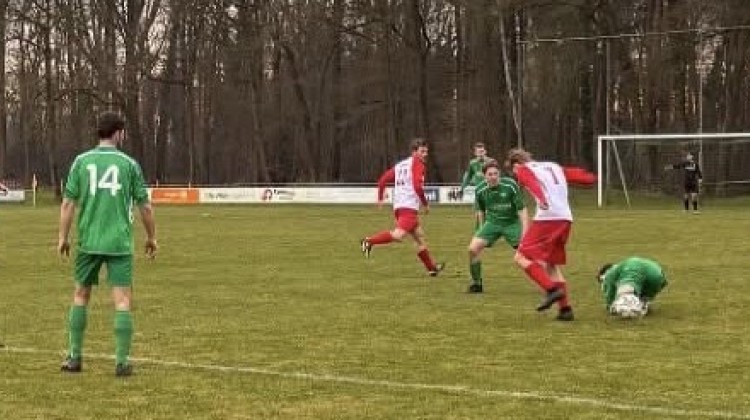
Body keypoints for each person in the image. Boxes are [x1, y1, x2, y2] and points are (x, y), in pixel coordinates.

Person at [58, 112, 157, 377]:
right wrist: (151, 237)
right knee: (122, 301)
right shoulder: (129, 164)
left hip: (88, 241)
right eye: (122, 132)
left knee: (80, 296)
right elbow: (145, 206)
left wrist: (63, 238)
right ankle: (122, 362)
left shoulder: (81, 161)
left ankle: (74, 358)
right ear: (117, 133)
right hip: (119, 243)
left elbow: (68, 203)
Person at [506, 148, 596, 321]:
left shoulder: (523, 169)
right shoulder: (553, 166)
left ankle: (551, 289)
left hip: (548, 218)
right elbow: (576, 175)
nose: (516, 177)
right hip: (565, 219)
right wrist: (592, 178)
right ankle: (565, 310)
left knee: (520, 257)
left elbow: (532, 183)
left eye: (513, 172)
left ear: (516, 165)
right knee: (551, 264)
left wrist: (542, 199)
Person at [360, 138, 444, 276]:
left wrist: (381, 198)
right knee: (398, 236)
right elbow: (417, 186)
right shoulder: (418, 164)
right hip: (409, 208)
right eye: (422, 151)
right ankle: (368, 242)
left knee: (420, 238)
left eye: (426, 152)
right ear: (414, 152)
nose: (425, 154)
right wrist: (425, 204)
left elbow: (382, 180)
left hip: (399, 207)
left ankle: (431, 268)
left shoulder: (400, 165)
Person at [466, 160, 529, 293]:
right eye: (490, 174)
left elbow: (522, 209)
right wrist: (480, 230)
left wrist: (525, 231)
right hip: (493, 223)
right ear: (484, 176)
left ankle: (549, 283)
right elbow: (480, 211)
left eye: (496, 174)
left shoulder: (510, 185)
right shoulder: (480, 189)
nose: (494, 177)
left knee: (529, 254)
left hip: (511, 223)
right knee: (472, 249)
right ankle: (477, 284)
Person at [597, 257, 668, 316]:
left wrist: (609, 305)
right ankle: (641, 305)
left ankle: (629, 310)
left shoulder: (610, 273)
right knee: (642, 298)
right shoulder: (620, 268)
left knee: (625, 294)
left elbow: (610, 295)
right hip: (658, 273)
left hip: (633, 267)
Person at [460, 142, 493, 228]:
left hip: (490, 190)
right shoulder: (472, 163)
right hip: (479, 191)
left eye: (482, 151)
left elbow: (497, 175)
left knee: (487, 213)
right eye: (479, 152)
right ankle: (480, 231)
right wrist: (462, 188)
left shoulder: (491, 162)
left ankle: (486, 231)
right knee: (478, 213)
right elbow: (468, 176)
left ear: (485, 151)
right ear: (475, 153)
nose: (481, 154)